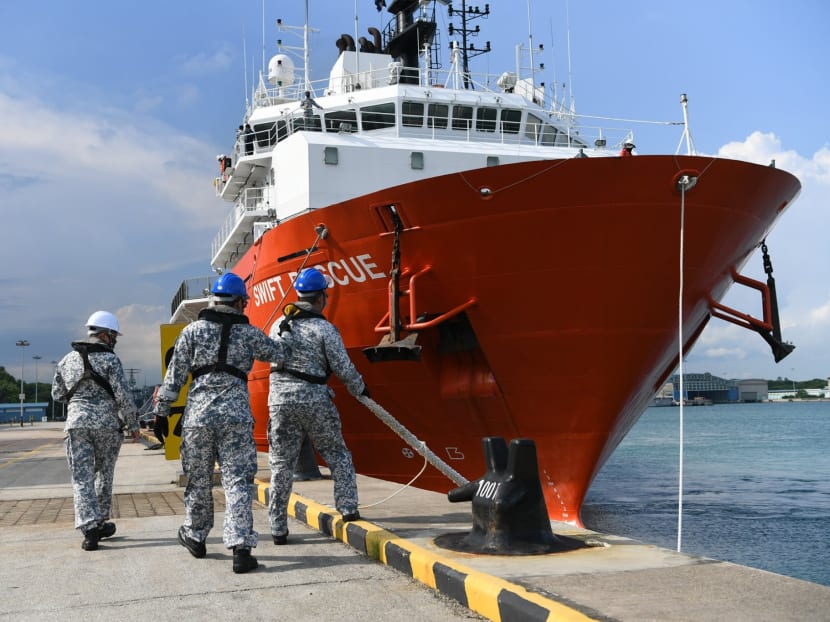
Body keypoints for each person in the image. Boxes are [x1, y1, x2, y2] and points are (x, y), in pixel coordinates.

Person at [153, 272, 290, 574]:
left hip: (198, 418)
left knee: (199, 480)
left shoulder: (191, 331)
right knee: (237, 481)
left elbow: (174, 377)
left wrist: (161, 413)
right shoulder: (251, 333)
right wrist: (285, 330)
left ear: (213, 299)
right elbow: (281, 354)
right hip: (236, 418)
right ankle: (241, 548)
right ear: (241, 301)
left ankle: (195, 536)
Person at [267, 267, 369, 545]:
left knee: (280, 464)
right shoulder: (325, 328)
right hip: (314, 400)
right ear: (321, 298)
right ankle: (347, 508)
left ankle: (277, 527)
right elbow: (342, 367)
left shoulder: (278, 325)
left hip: (280, 402)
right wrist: (360, 387)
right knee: (337, 453)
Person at [51, 310, 140, 551]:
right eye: (113, 335)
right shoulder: (111, 360)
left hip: (77, 425)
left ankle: (89, 529)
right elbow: (123, 396)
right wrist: (133, 425)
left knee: (81, 479)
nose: (115, 340)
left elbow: (57, 394)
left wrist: (79, 398)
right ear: (103, 334)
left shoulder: (67, 360)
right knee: (103, 475)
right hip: (107, 427)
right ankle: (100, 521)